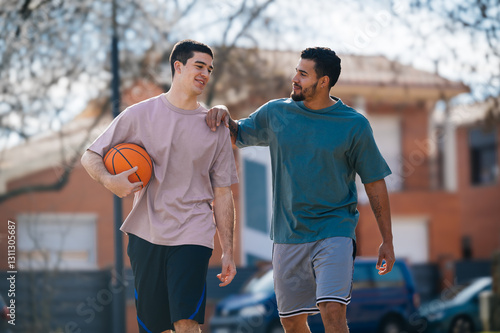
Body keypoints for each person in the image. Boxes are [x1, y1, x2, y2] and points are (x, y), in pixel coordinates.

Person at [206, 47, 395, 333]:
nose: (295, 78)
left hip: (335, 230)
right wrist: (222, 111)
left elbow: (374, 182)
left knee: (332, 311)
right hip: (288, 234)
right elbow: (237, 134)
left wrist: (387, 239)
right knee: (292, 323)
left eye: (303, 74)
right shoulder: (276, 113)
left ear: (324, 82)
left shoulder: (353, 124)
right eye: (296, 70)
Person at [81, 39, 239, 333]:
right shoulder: (139, 115)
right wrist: (109, 180)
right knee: (154, 327)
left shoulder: (215, 125)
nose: (205, 73)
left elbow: (223, 192)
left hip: (193, 231)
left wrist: (228, 250)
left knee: (186, 322)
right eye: (199, 66)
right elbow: (91, 155)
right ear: (178, 67)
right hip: (147, 232)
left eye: (209, 68)